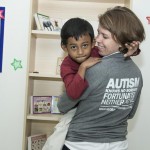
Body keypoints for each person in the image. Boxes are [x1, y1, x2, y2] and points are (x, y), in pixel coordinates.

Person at [42, 16, 141, 150]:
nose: (81, 51)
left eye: (104, 36)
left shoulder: (95, 63)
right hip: (118, 143)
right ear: (65, 47)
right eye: (98, 33)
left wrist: (130, 52)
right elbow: (130, 113)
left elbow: (63, 105)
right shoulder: (136, 72)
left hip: (80, 142)